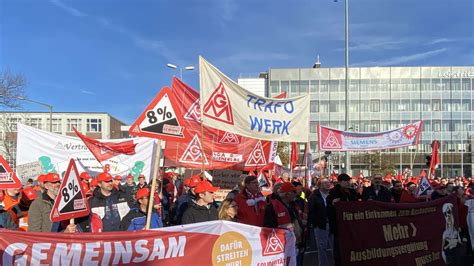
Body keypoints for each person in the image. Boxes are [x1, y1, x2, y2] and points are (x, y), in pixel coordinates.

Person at [264, 182, 305, 266]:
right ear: (287, 193)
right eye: (293, 192)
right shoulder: (272, 206)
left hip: (296, 243)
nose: (296, 194)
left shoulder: (293, 204)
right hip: (283, 245)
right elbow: (269, 227)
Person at [327, 173, 359, 266]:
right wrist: (333, 203)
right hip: (339, 225)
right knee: (339, 248)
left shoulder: (351, 191)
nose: (349, 183)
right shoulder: (333, 192)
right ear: (341, 182)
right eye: (347, 181)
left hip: (350, 224)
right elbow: (329, 206)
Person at [308, 178, 333, 266]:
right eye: (325, 183)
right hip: (321, 225)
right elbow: (311, 211)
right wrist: (316, 223)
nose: (328, 184)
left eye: (328, 182)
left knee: (335, 247)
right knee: (322, 248)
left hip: (332, 224)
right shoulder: (314, 196)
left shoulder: (331, 195)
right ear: (319, 185)